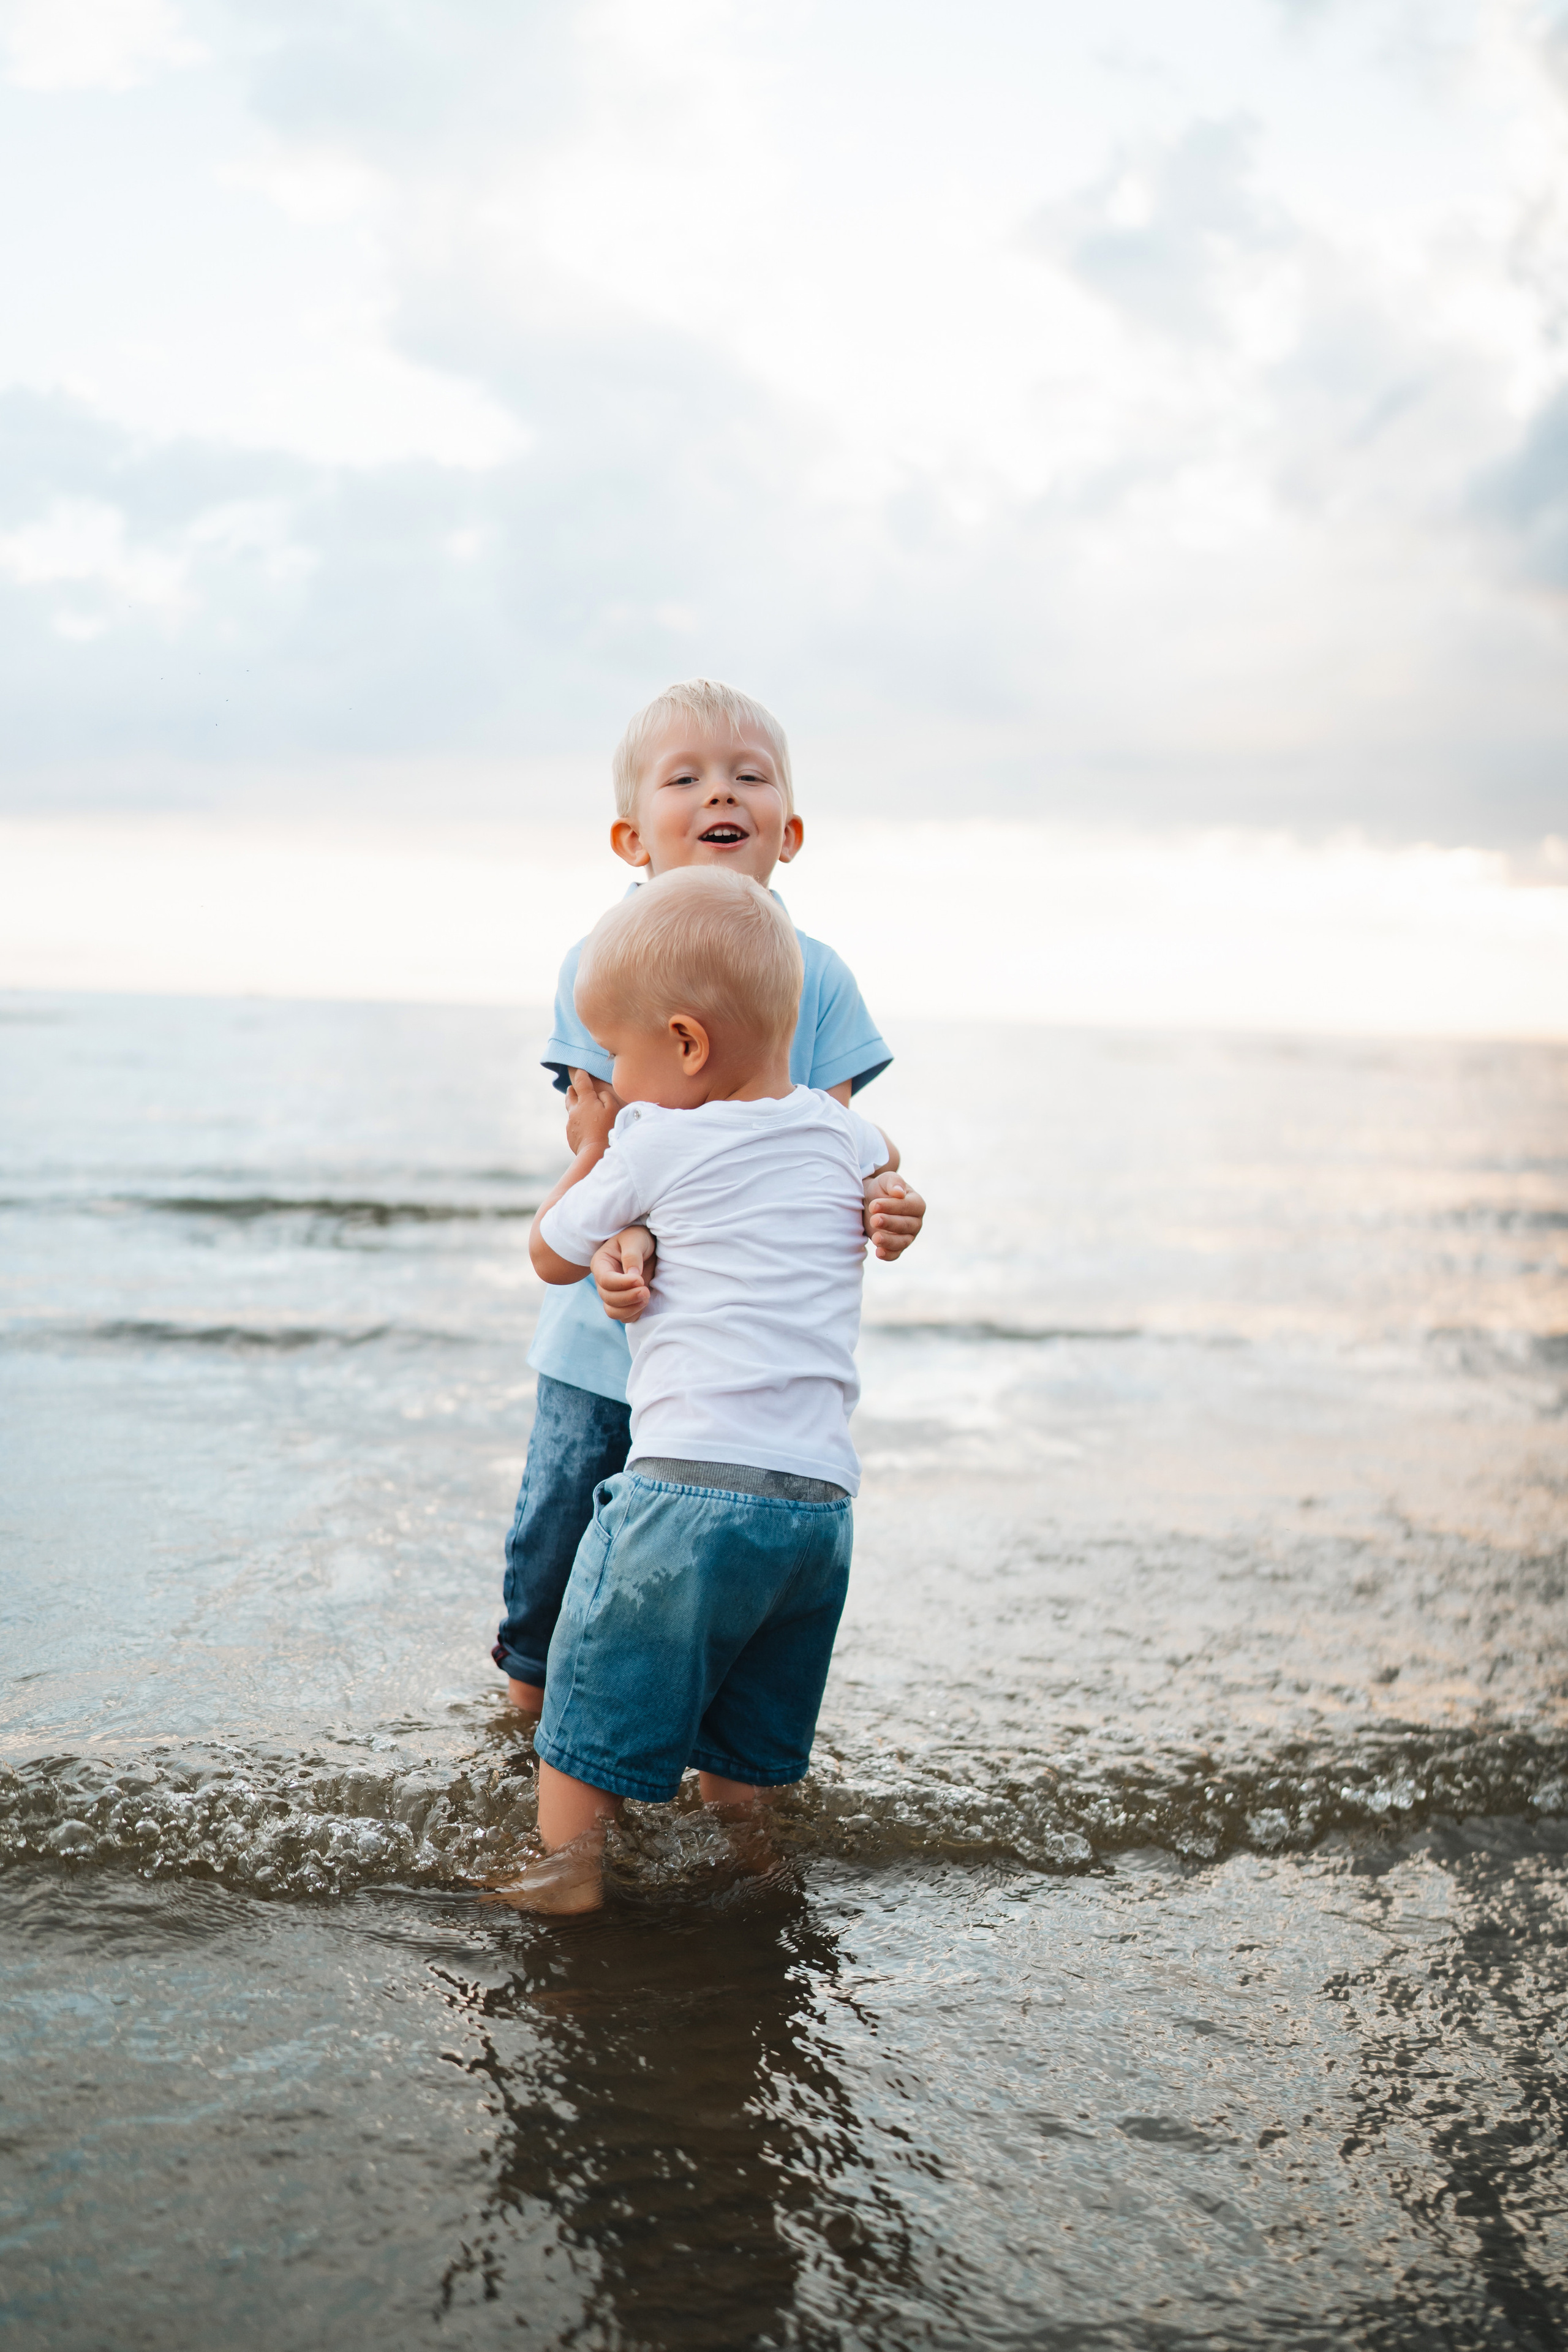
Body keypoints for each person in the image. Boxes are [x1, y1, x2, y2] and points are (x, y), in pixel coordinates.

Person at [492, 678, 924, 1715]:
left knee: (704, 1576)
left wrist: (886, 1198)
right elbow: (604, 1131)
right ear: (632, 838)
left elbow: (826, 1150)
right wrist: (626, 1233)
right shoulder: (605, 960)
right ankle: (524, 1736)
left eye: (748, 776)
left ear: (791, 831)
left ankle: (694, 1751)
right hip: (606, 1337)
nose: (720, 792)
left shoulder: (815, 978)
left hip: (738, 1359)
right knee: (559, 1552)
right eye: (684, 779)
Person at [502, 864, 911, 1911]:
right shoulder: (841, 1134)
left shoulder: (653, 1138)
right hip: (818, 1511)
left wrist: (592, 1144)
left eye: (619, 1057)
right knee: (744, 1748)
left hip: (685, 1494)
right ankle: (749, 1868)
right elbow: (887, 1155)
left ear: (686, 1044)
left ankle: (566, 1875)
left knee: (586, 1712)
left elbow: (551, 1253)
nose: (614, 1078)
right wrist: (892, 1194)